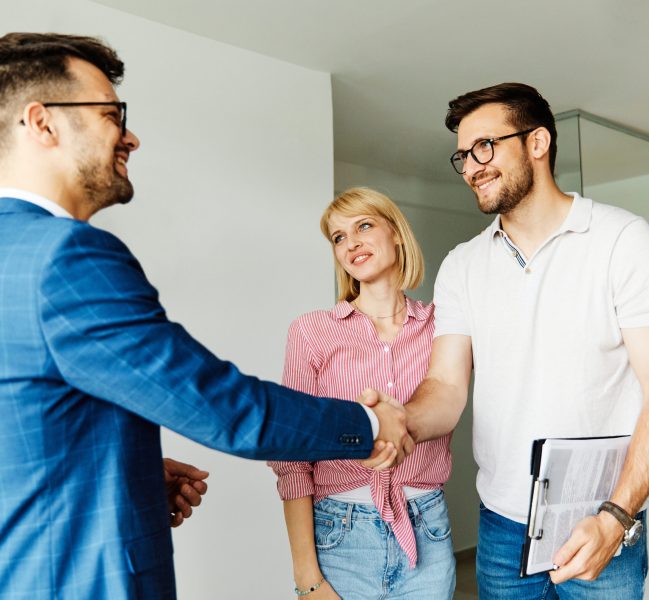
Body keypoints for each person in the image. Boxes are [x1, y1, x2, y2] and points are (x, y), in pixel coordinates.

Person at [0, 32, 411, 599]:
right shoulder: (67, 257)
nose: (131, 136)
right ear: (42, 123)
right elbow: (224, 406)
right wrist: (368, 426)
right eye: (110, 115)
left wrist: (129, 476)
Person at [401, 83, 649, 599]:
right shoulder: (463, 265)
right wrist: (403, 421)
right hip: (502, 525)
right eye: (462, 155)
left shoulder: (624, 242)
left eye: (485, 146)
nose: (471, 167)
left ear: (538, 143)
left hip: (602, 521)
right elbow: (445, 385)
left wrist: (616, 518)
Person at [270, 188, 455, 599]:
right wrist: (307, 578)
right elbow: (291, 456)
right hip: (341, 535)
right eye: (338, 237)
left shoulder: (442, 327)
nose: (350, 242)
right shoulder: (311, 332)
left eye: (364, 226)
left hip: (427, 528)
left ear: (397, 235)